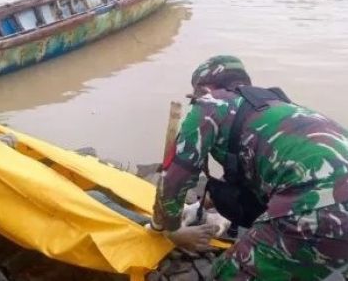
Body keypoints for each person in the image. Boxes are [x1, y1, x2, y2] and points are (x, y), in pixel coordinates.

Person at [148, 55, 348, 280]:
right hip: (331, 201)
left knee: (226, 273)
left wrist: (168, 229)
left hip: (320, 209)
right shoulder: (276, 106)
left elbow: (174, 181)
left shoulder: (211, 103)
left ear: (203, 88)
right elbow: (262, 172)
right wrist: (197, 207)